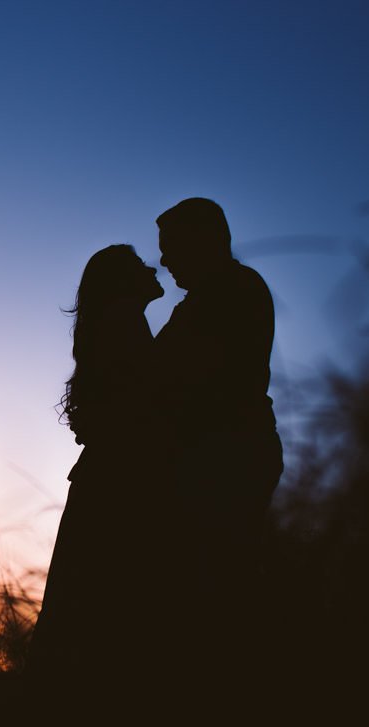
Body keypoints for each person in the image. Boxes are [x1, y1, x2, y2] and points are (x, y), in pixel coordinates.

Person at [26, 244, 167, 685]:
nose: (153, 267)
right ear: (122, 283)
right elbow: (142, 409)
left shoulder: (115, 325)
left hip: (106, 476)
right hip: (118, 480)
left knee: (84, 600)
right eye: (139, 264)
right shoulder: (124, 323)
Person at [152, 197, 283, 659]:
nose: (164, 260)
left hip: (226, 454)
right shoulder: (210, 299)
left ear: (203, 241)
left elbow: (190, 382)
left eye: (171, 247)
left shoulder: (232, 292)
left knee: (217, 582)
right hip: (218, 452)